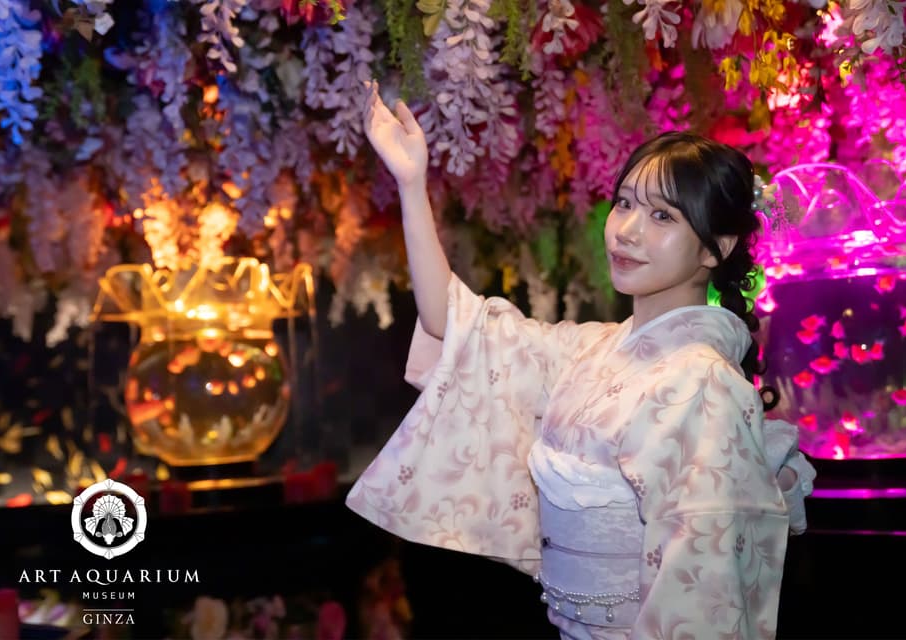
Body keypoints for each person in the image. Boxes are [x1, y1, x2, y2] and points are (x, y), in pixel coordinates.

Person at [346, 80, 816, 639]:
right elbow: (455, 325)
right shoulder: (591, 349)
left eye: (663, 217)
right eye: (625, 204)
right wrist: (411, 183)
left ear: (718, 247)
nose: (627, 231)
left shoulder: (703, 384)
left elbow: (700, 597)